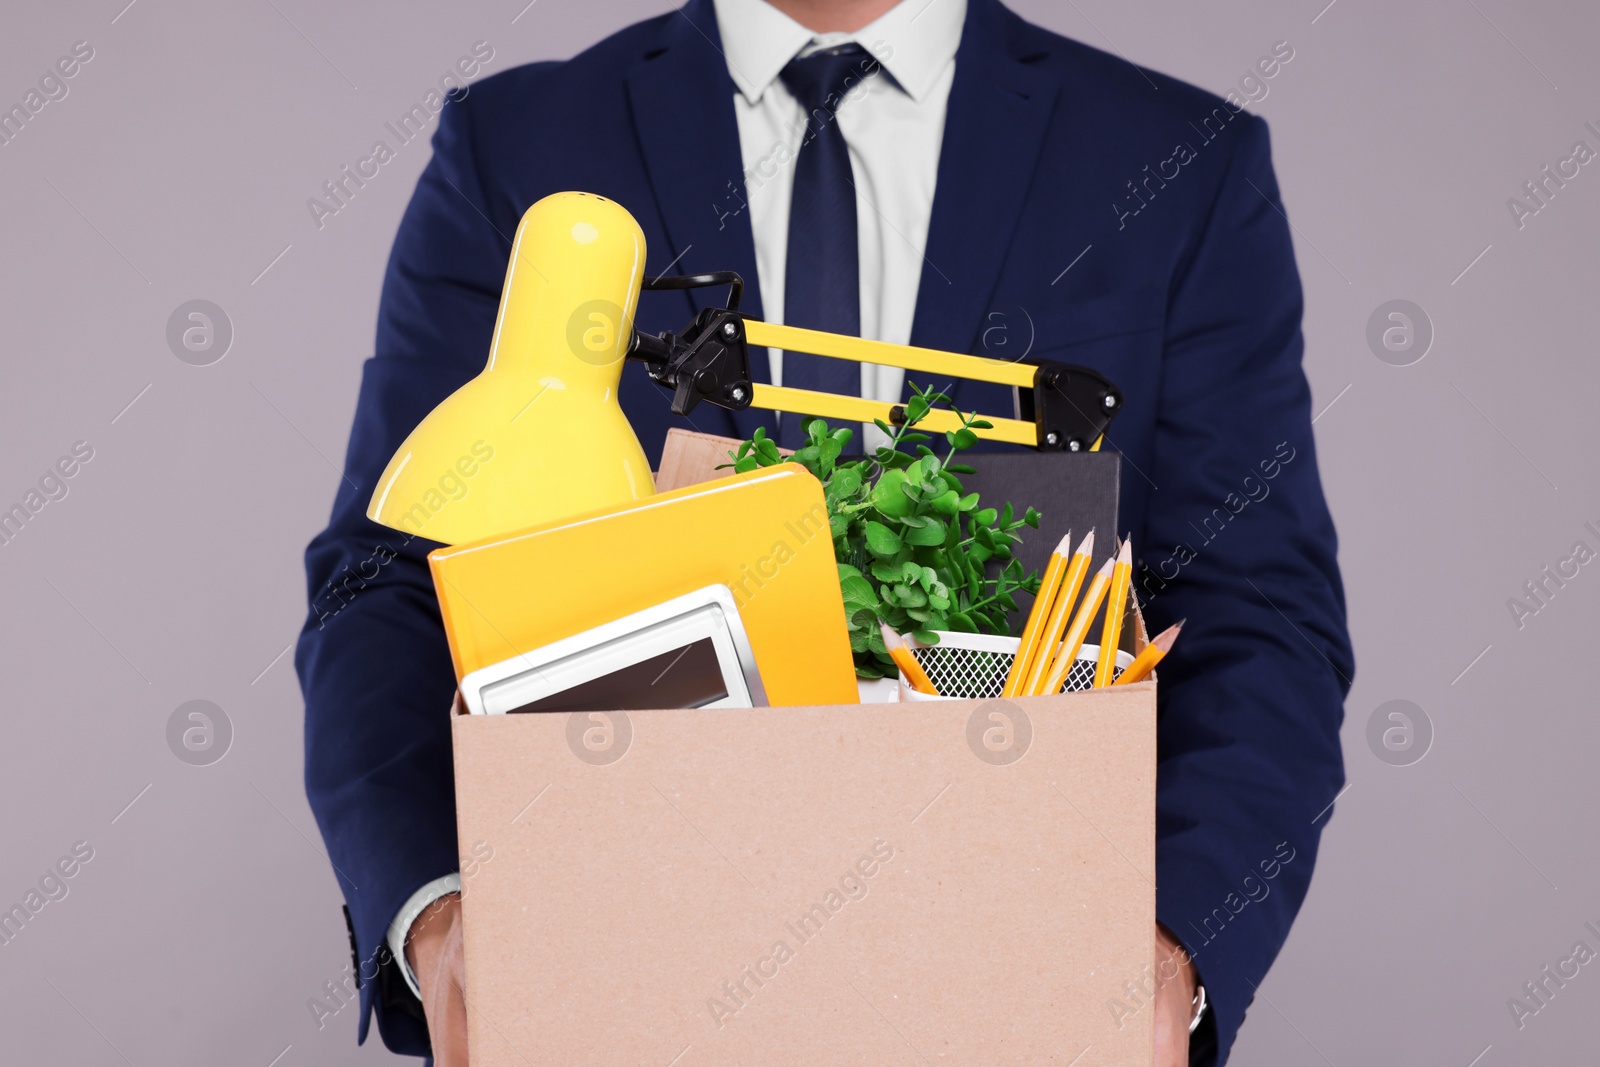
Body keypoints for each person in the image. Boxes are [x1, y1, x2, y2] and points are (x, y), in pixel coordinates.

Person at [296, 0, 1353, 1063]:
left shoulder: (1176, 161)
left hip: (1009, 994)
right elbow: (388, 583)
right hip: (623, 988)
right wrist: (436, 911)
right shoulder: (521, 144)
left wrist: (1171, 954)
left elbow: (1253, 612)